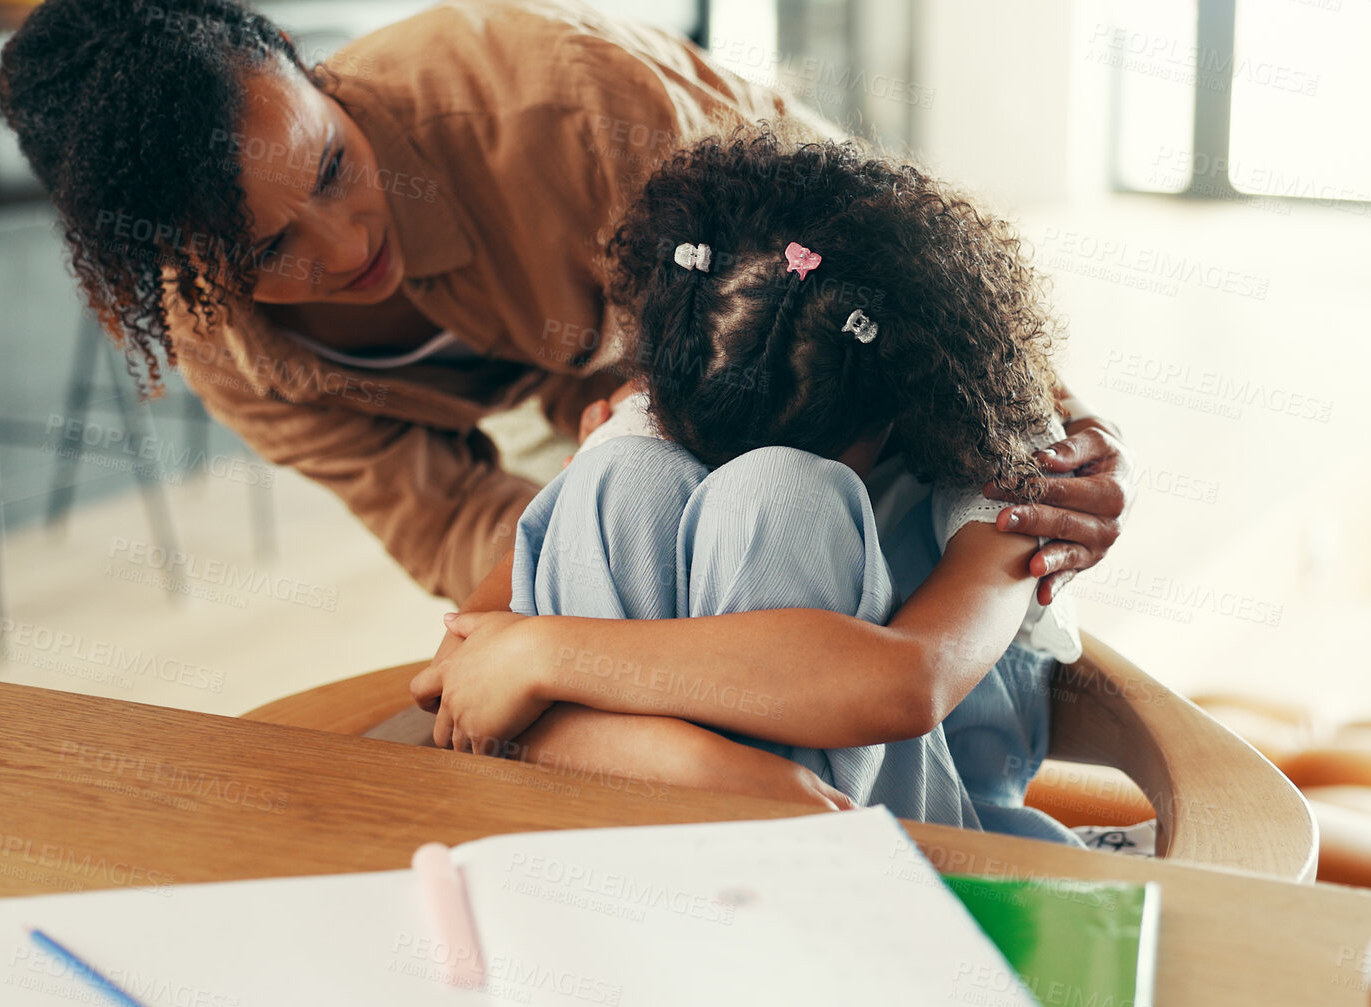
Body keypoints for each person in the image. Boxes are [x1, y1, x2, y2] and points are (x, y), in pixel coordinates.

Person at [0, 0, 1133, 716]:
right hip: (630, 411)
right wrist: (566, 623)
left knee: (771, 505)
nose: (348, 249)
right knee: (636, 499)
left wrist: (1041, 431)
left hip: (800, 362)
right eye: (269, 248)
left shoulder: (560, 96)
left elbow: (869, 247)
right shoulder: (232, 346)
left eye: (334, 167)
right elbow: (449, 525)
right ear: (180, 265)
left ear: (307, 64)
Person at [416, 134, 1084, 842]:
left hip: (893, 830)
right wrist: (689, 762)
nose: (723, 466)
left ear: (891, 410)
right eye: (703, 449)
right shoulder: (678, 395)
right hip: (686, 810)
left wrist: (544, 655)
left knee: (780, 495)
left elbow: (909, 682)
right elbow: (452, 680)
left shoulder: (999, 452)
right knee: (620, 475)